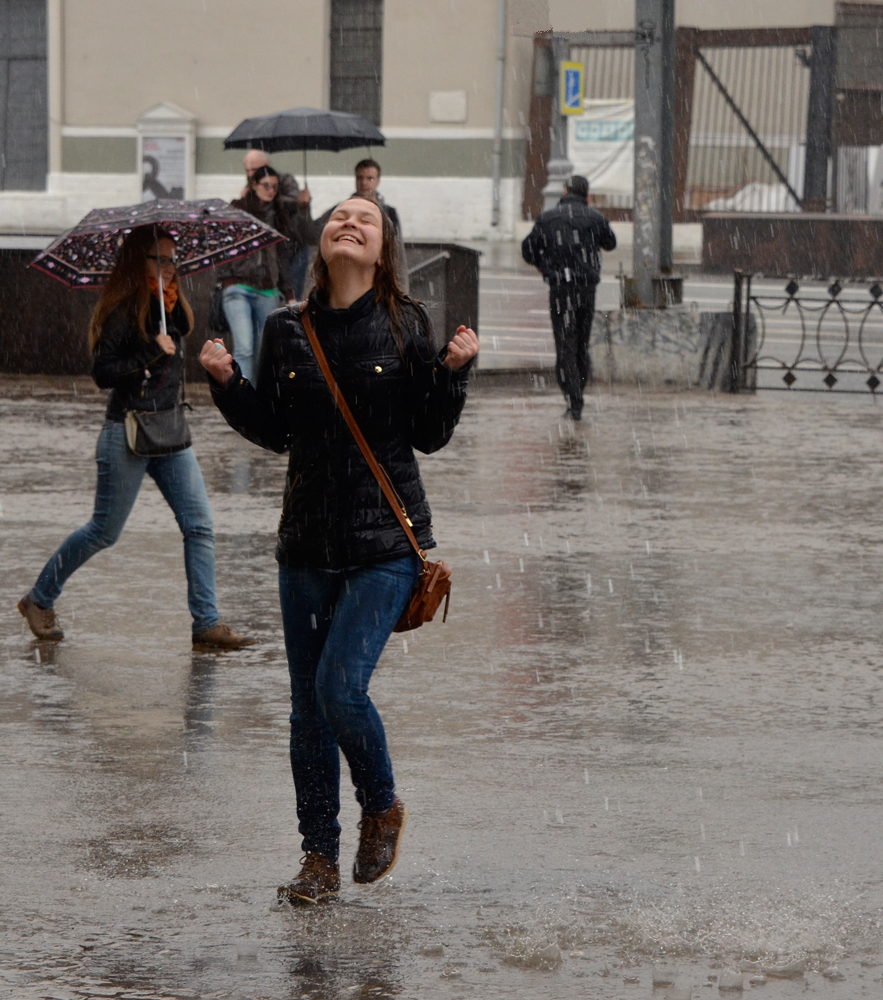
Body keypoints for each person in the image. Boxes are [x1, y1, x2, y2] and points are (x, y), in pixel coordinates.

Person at [199, 195, 479, 903]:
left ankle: (381, 805)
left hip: (386, 545)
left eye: (365, 219)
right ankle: (317, 860)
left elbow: (427, 431)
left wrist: (451, 373)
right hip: (306, 546)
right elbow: (275, 429)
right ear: (321, 244)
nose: (347, 224)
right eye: (337, 218)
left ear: (384, 250)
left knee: (338, 689)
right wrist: (227, 383)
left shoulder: (403, 323)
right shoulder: (286, 328)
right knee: (305, 710)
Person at [17, 225, 253, 650]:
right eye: (158, 259)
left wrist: (170, 320)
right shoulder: (123, 310)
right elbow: (102, 373)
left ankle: (207, 623)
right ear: (136, 261)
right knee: (103, 532)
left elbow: (176, 333)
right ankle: (39, 598)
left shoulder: (172, 307)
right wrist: (150, 352)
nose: (169, 267)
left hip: (170, 431)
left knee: (199, 526)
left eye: (172, 259)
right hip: (126, 430)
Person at [521, 174, 616, 420]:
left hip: (560, 288)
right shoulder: (595, 218)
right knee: (581, 343)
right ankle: (577, 392)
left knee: (564, 344)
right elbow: (611, 243)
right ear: (587, 196)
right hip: (587, 288)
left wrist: (545, 266)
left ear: (564, 192)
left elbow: (528, 249)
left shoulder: (548, 218)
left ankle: (573, 398)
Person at [219, 165, 312, 381]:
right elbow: (222, 248)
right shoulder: (238, 211)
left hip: (267, 290)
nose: (270, 191)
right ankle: (244, 394)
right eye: (266, 185)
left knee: (263, 350)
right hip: (238, 287)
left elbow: (283, 257)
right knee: (244, 348)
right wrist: (227, 280)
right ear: (253, 184)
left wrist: (289, 293)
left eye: (275, 187)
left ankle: (260, 398)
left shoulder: (278, 216)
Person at [315, 158, 408, 291]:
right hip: (344, 282)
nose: (364, 183)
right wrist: (303, 207)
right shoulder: (341, 208)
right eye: (360, 178)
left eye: (369, 178)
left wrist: (402, 289)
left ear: (378, 181)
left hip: (379, 284)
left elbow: (398, 255)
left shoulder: (389, 214)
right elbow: (312, 233)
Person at [242, 151, 313, 300]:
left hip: (294, 245)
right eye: (247, 170)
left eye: (254, 169)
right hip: (273, 249)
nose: (250, 174)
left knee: (294, 292)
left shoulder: (285, 180)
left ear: (266, 165)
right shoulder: (251, 187)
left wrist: (267, 196)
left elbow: (293, 202)